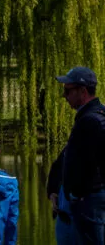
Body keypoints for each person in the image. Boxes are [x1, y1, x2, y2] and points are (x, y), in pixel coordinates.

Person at [53, 66, 105, 243]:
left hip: (89, 201)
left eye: (68, 91)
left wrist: (77, 193)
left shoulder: (90, 120)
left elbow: (90, 162)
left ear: (83, 91)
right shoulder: (96, 115)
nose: (64, 96)